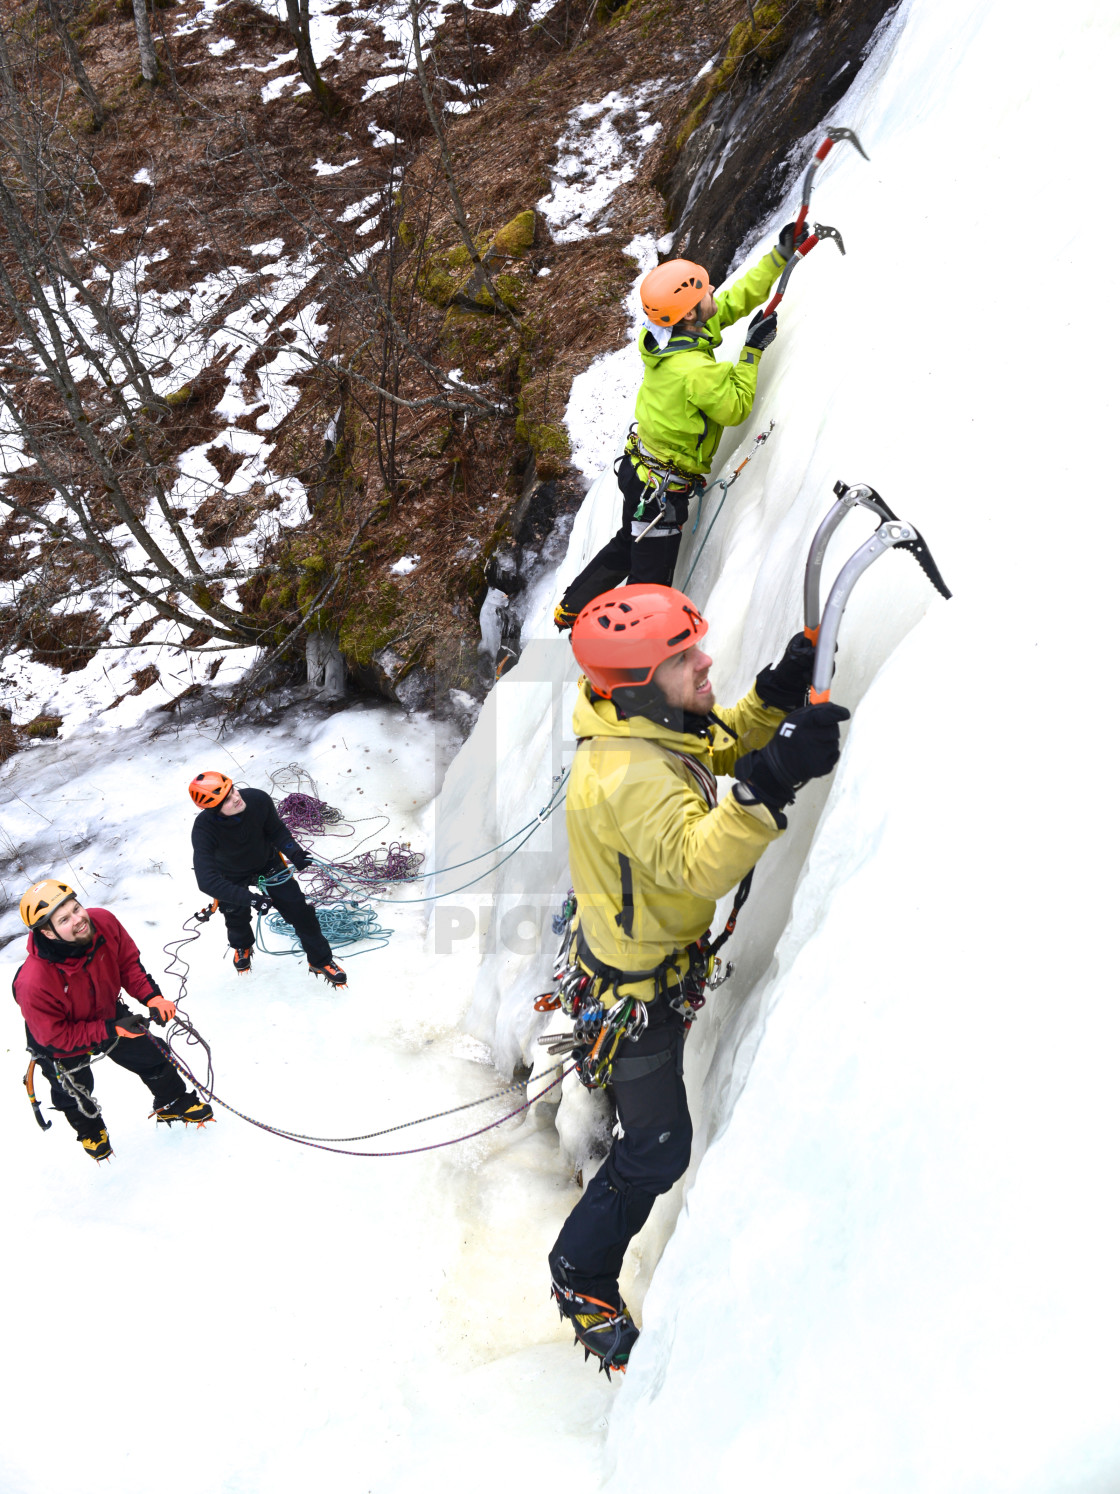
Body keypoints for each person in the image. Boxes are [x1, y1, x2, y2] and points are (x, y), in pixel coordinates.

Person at [548, 584, 849, 1373]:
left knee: (649, 1135)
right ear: (645, 680)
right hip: (634, 993)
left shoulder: (641, 721)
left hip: (644, 969)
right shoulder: (626, 773)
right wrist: (772, 779)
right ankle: (580, 1274)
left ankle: (600, 1134)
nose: (703, 660)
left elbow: (714, 748)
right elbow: (698, 860)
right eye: (684, 657)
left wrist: (773, 699)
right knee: (657, 1151)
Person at [553, 225, 807, 629]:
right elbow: (735, 407)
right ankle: (623, 646)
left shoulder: (670, 335)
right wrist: (751, 352)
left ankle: (572, 607)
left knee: (628, 541)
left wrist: (778, 257)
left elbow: (732, 302)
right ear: (689, 312)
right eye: (704, 291)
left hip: (641, 472)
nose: (713, 293)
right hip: (659, 492)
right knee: (649, 585)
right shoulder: (694, 369)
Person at [13, 879, 213, 1162]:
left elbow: (127, 964)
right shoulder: (34, 981)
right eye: (64, 919)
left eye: (76, 908)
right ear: (48, 932)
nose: (79, 919)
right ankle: (91, 1131)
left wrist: (151, 998)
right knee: (73, 1092)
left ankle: (171, 1102)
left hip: (106, 1012)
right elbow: (54, 1037)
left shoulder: (103, 923)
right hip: (61, 1039)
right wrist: (110, 1030)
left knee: (155, 1055)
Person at [189, 772, 347, 988]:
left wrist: (294, 852)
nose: (236, 797)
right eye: (226, 799)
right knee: (235, 913)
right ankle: (242, 945)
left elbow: (276, 830)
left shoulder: (257, 800)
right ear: (213, 810)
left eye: (233, 789)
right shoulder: (203, 830)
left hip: (267, 862)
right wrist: (252, 899)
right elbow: (206, 881)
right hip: (230, 872)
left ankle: (320, 960)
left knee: (299, 911)